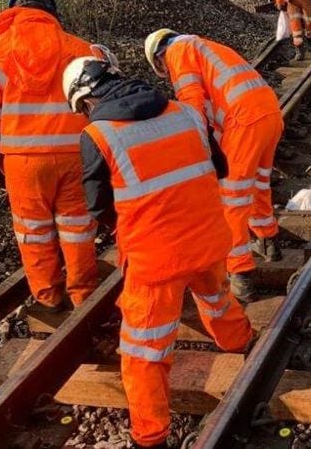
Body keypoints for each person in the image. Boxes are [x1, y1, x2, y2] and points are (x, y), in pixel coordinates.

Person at [62, 55, 253, 449]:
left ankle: (150, 438)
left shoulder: (98, 136)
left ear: (86, 101)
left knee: (144, 351)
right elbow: (219, 167)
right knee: (217, 298)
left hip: (156, 261)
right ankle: (242, 346)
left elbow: (99, 209)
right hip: (209, 240)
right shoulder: (186, 113)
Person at [0, 0, 99, 311]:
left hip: (23, 162)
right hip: (76, 156)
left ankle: (48, 296)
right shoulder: (81, 49)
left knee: (34, 232)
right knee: (78, 229)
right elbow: (101, 105)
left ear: (13, 10)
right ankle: (84, 295)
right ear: (51, 11)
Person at [143, 29, 283, 303]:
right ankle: (268, 240)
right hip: (269, 112)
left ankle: (240, 272)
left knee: (231, 198)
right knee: (258, 182)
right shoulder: (204, 47)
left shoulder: (178, 52)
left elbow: (192, 101)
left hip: (243, 121)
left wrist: (192, 145)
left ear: (159, 59)